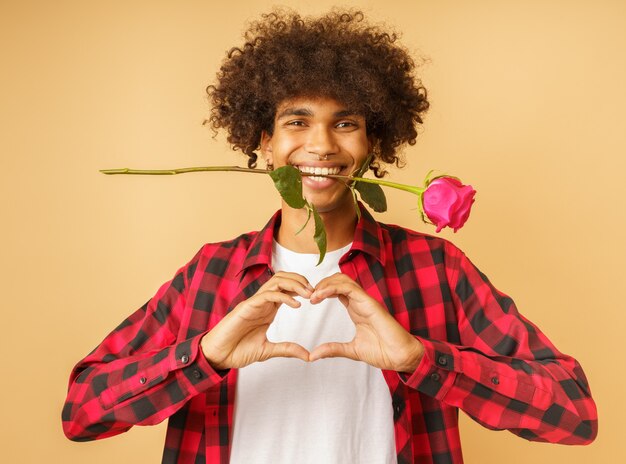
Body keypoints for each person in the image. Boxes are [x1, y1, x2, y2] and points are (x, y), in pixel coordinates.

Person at [62, 9, 598, 464]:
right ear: (264, 143)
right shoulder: (210, 273)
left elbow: (574, 414)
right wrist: (205, 356)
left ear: (374, 143)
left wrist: (420, 359)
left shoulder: (436, 269)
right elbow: (82, 412)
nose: (321, 145)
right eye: (297, 122)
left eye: (345, 123)